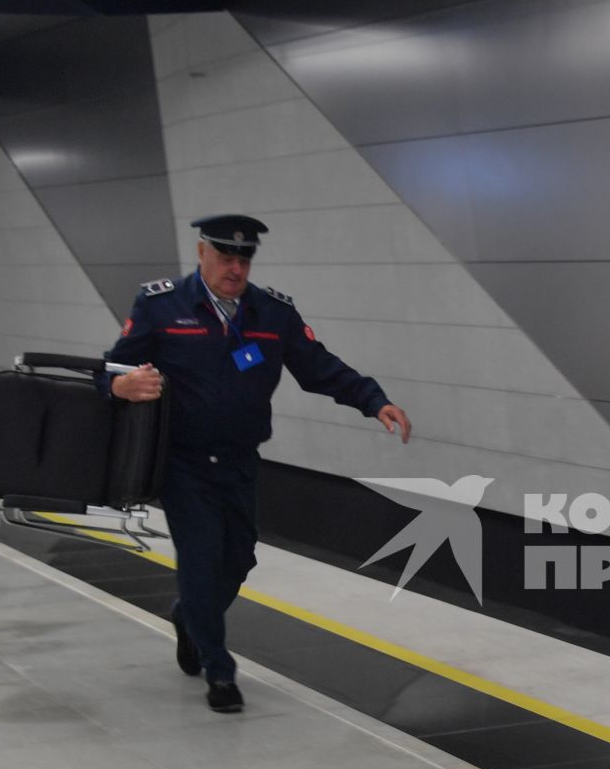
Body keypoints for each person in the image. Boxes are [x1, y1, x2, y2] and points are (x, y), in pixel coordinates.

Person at [103, 214, 411, 713]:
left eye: (243, 258)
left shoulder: (272, 313)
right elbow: (112, 368)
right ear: (201, 252)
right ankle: (219, 670)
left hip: (240, 461)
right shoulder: (162, 306)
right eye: (225, 256)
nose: (235, 267)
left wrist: (373, 400)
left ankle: (189, 618)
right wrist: (119, 386)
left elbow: (319, 368)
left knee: (238, 560)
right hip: (183, 464)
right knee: (202, 563)